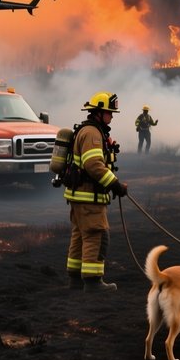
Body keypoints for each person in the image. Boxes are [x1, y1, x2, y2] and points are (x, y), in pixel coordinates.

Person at [63, 91, 128, 293]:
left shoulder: (89, 131)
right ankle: (93, 282)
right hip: (88, 197)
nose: (112, 116)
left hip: (80, 196)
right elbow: (93, 164)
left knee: (80, 236)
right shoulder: (92, 133)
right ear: (99, 112)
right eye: (109, 112)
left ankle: (75, 280)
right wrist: (114, 184)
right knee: (96, 236)